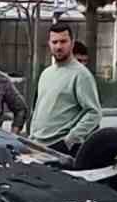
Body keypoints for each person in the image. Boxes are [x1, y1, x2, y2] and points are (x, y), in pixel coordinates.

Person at [28, 23, 100, 155]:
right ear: (49, 44)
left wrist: (70, 140)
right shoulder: (46, 73)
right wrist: (31, 137)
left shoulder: (81, 75)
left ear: (72, 43)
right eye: (54, 42)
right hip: (37, 145)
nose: (59, 46)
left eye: (63, 41)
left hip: (61, 149)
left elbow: (94, 113)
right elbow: (38, 110)